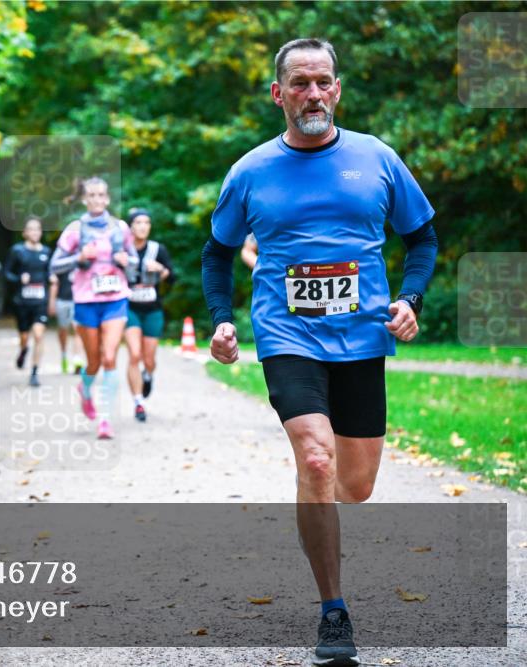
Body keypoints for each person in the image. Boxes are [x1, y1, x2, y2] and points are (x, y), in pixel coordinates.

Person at [201, 38, 438, 667]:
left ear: (337, 89)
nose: (313, 94)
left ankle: (318, 505)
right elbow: (217, 253)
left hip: (362, 337)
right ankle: (334, 613)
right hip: (287, 334)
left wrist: (411, 298)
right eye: (299, 83)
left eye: (323, 82)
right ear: (278, 93)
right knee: (315, 457)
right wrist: (223, 322)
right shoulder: (251, 170)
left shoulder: (377, 158)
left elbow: (423, 238)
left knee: (353, 486)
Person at [50, 177, 138, 439]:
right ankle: (85, 390)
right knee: (94, 362)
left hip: (115, 299)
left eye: (102, 195)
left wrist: (126, 260)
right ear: (85, 199)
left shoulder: (121, 228)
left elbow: (135, 261)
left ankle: (105, 420)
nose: (97, 200)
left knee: (110, 357)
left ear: (108, 199)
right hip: (86, 300)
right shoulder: (74, 230)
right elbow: (54, 266)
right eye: (92, 195)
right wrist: (78, 258)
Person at [123, 208, 174, 423]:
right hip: (129, 308)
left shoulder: (157, 249)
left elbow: (172, 276)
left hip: (153, 308)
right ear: (131, 227)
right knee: (134, 354)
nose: (143, 226)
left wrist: (161, 270)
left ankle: (148, 375)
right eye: (138, 222)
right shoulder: (122, 251)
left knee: (149, 358)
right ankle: (138, 402)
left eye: (146, 222)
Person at [4, 217, 51, 387]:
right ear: (24, 233)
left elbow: (49, 274)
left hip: (40, 301)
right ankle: (23, 350)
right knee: (24, 336)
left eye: (37, 229)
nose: (35, 232)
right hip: (22, 302)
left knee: (39, 335)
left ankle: (34, 372)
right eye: (31, 229)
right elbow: (7, 273)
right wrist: (18, 279)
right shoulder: (17, 251)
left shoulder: (46, 251)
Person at [48, 269, 84, 374]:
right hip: (62, 300)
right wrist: (52, 302)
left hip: (78, 300)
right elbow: (54, 284)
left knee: (78, 329)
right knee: (63, 330)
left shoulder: (82, 262)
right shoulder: (62, 262)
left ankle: (77, 359)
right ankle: (64, 354)